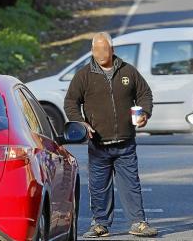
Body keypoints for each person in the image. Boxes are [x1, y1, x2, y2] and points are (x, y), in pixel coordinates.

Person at [64, 32, 158, 238]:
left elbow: (145, 94)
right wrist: (81, 123)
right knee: (99, 186)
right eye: (96, 49)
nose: (100, 53)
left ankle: (138, 222)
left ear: (112, 50)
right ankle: (100, 224)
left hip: (126, 141)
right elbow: (71, 102)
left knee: (131, 184)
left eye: (104, 49)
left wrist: (144, 112)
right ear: (92, 51)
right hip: (98, 143)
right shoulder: (83, 75)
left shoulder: (128, 71)